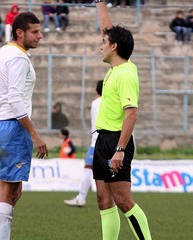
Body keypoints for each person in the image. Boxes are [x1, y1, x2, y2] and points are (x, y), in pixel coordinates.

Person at [92, 1, 152, 240]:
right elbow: (107, 30)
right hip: (103, 139)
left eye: (104, 44)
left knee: (123, 201)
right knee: (103, 200)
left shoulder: (126, 73)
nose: (101, 46)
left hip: (117, 141)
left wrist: (119, 149)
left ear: (114, 47)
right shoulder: (116, 69)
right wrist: (99, 4)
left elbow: (132, 113)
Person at [0, 12, 48, 240]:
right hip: (13, 127)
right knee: (10, 192)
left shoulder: (3, 52)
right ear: (20, 32)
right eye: (35, 31)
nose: (40, 36)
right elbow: (14, 98)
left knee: (10, 190)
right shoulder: (19, 58)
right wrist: (35, 135)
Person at [64, 80, 103, 207]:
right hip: (109, 143)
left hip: (97, 142)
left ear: (96, 90)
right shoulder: (112, 102)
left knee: (88, 167)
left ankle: (81, 198)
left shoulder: (96, 103)